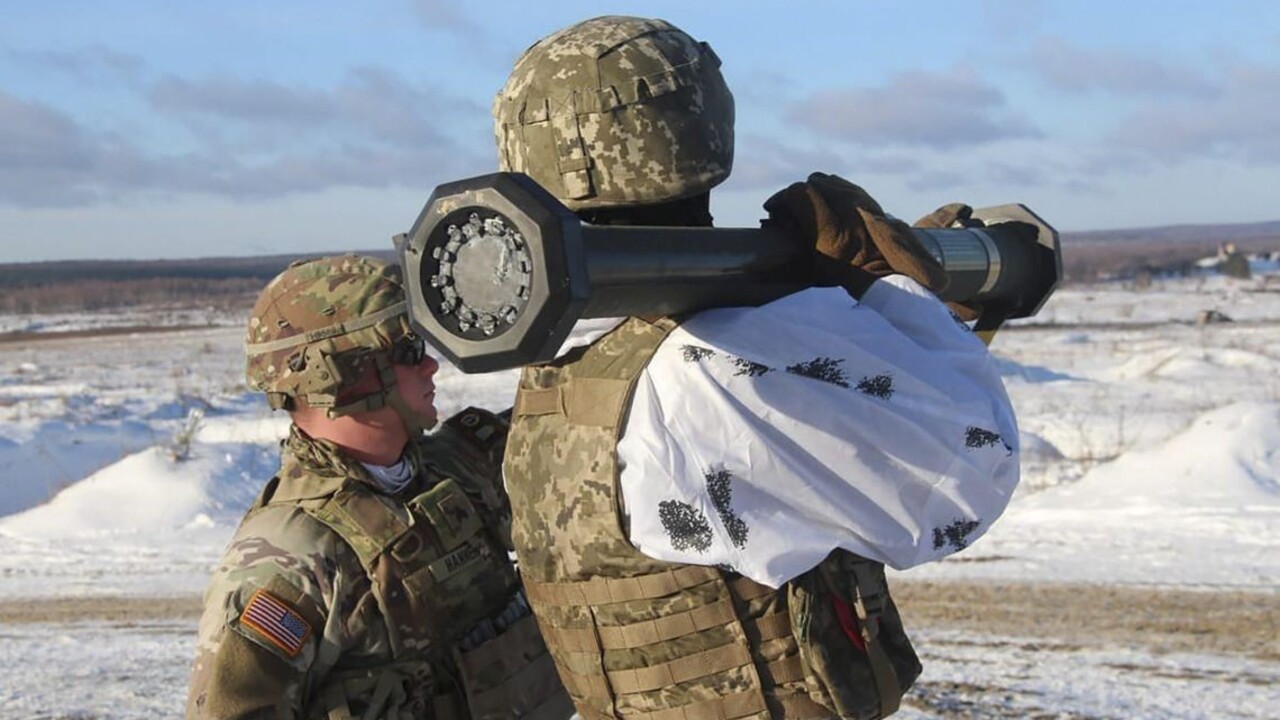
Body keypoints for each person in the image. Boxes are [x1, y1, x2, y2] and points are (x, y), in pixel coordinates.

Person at [492, 16, 1021, 720]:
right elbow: (971, 471)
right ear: (702, 127)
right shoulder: (716, 362)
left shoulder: (563, 362)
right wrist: (883, 294)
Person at [186, 255, 571, 719]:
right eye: (408, 352)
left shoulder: (455, 470)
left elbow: (575, 429)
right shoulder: (290, 559)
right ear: (342, 377)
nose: (430, 366)